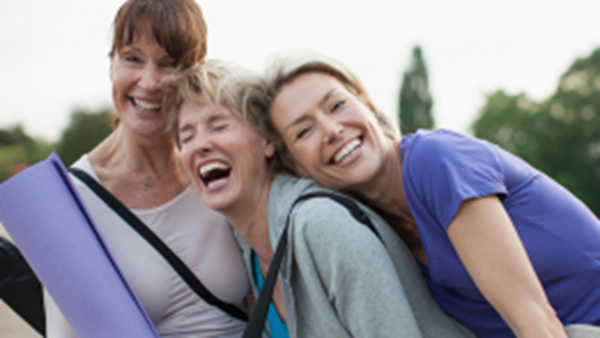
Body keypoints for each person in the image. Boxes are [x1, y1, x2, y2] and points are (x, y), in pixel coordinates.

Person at [258, 51, 600, 338]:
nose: (332, 130)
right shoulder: (367, 230)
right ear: (294, 163)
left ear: (366, 104)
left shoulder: (435, 161)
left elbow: (536, 320)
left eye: (336, 106)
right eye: (304, 130)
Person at [165, 60, 475, 338]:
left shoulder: (323, 226)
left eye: (218, 126)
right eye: (187, 136)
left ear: (267, 141)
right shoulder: (249, 254)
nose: (200, 145)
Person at [43, 1, 249, 337]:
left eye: (169, 64)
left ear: (194, 74)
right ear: (111, 64)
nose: (150, 82)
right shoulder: (69, 201)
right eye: (133, 58)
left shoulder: (215, 167)